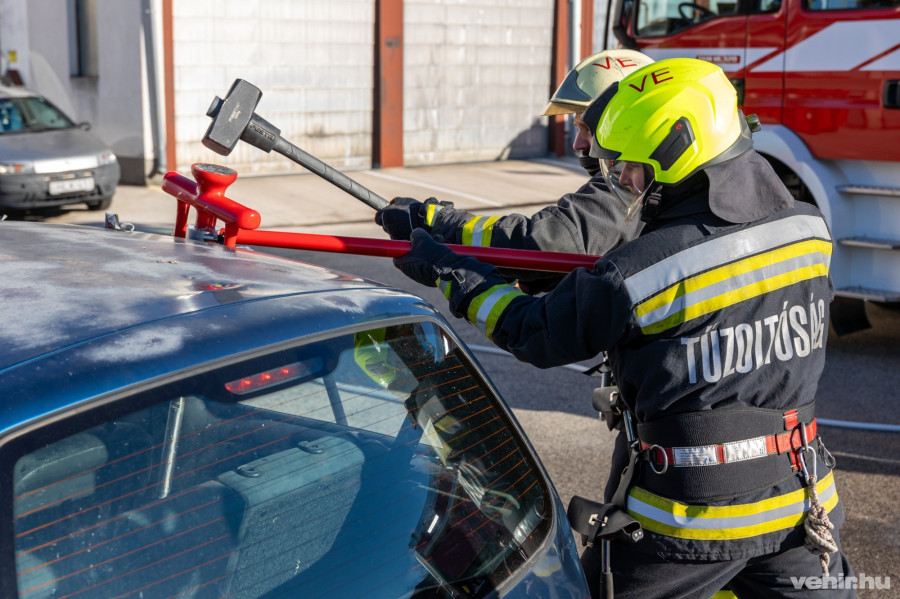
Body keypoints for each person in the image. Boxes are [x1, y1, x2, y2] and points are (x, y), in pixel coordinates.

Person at [385, 57, 854, 598]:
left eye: (631, 166)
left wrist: (453, 273)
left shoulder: (641, 273)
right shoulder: (808, 229)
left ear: (678, 154)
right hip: (803, 510)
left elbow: (532, 331)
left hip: (688, 530)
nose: (624, 180)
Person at [376, 49, 654, 293]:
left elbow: (548, 240)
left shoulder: (636, 184)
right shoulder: (653, 179)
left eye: (586, 128)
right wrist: (500, 268)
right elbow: (579, 259)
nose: (577, 144)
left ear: (623, 124)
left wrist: (437, 222)